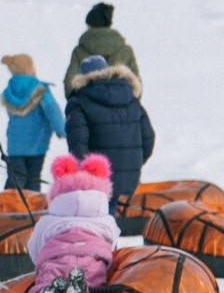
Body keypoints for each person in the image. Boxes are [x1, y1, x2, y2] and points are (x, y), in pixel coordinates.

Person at [22, 154, 120, 293]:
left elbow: (34, 246)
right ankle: (81, 289)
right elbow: (112, 243)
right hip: (92, 260)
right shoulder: (106, 221)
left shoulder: (48, 221)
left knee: (45, 280)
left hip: (55, 259)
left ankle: (46, 292)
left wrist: (41, 261)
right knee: (94, 281)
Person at [65, 54, 156, 217]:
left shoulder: (79, 102)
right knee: (109, 218)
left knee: (95, 221)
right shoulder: (131, 98)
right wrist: (131, 163)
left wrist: (87, 172)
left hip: (97, 178)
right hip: (128, 175)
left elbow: (77, 145)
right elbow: (148, 138)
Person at [0, 53, 65, 191]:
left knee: (15, 178)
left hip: (15, 146)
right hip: (37, 144)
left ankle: (8, 206)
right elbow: (52, 111)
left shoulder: (10, 91)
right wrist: (62, 130)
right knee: (33, 179)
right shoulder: (41, 90)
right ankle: (32, 210)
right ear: (29, 69)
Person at [63, 2, 142, 99]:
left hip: (87, 108)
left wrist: (77, 105)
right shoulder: (125, 50)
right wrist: (129, 106)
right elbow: (136, 84)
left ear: (90, 26)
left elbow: (69, 83)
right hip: (121, 109)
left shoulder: (80, 51)